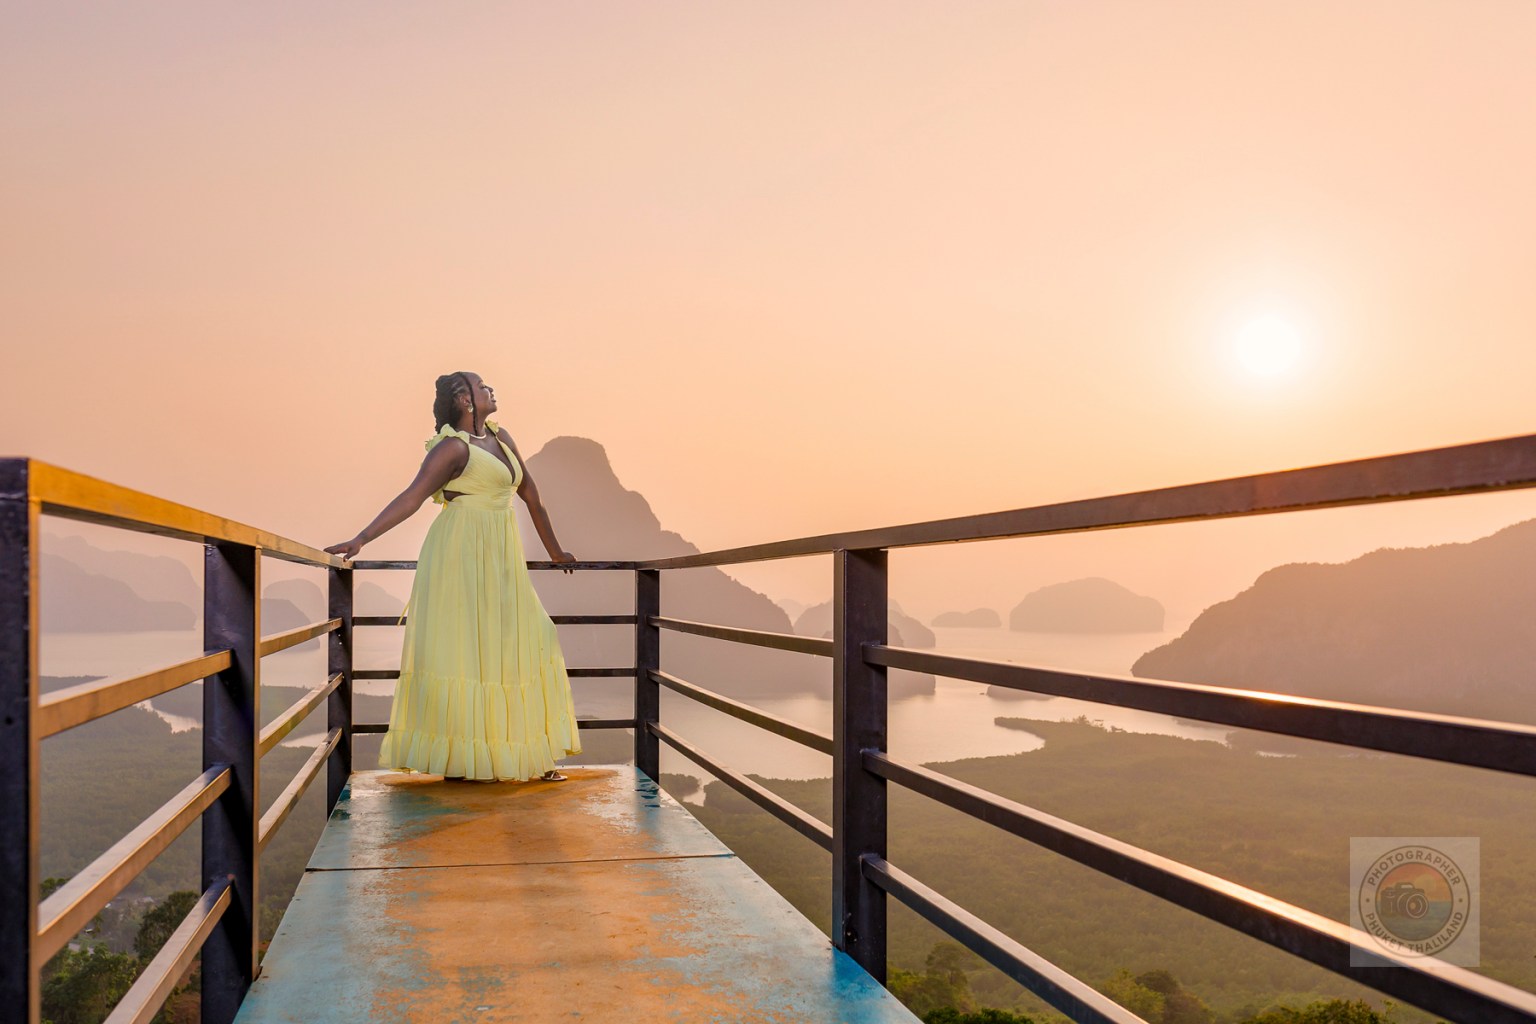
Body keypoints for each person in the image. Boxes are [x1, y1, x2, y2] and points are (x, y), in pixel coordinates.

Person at [325, 371, 581, 782]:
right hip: (459, 554)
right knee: (465, 650)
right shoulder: (451, 449)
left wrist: (555, 552)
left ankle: (528, 753)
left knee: (531, 639)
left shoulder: (502, 436)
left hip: (500, 556)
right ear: (465, 400)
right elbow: (411, 497)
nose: (491, 389)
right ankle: (461, 761)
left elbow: (531, 495)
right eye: (483, 386)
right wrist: (362, 538)